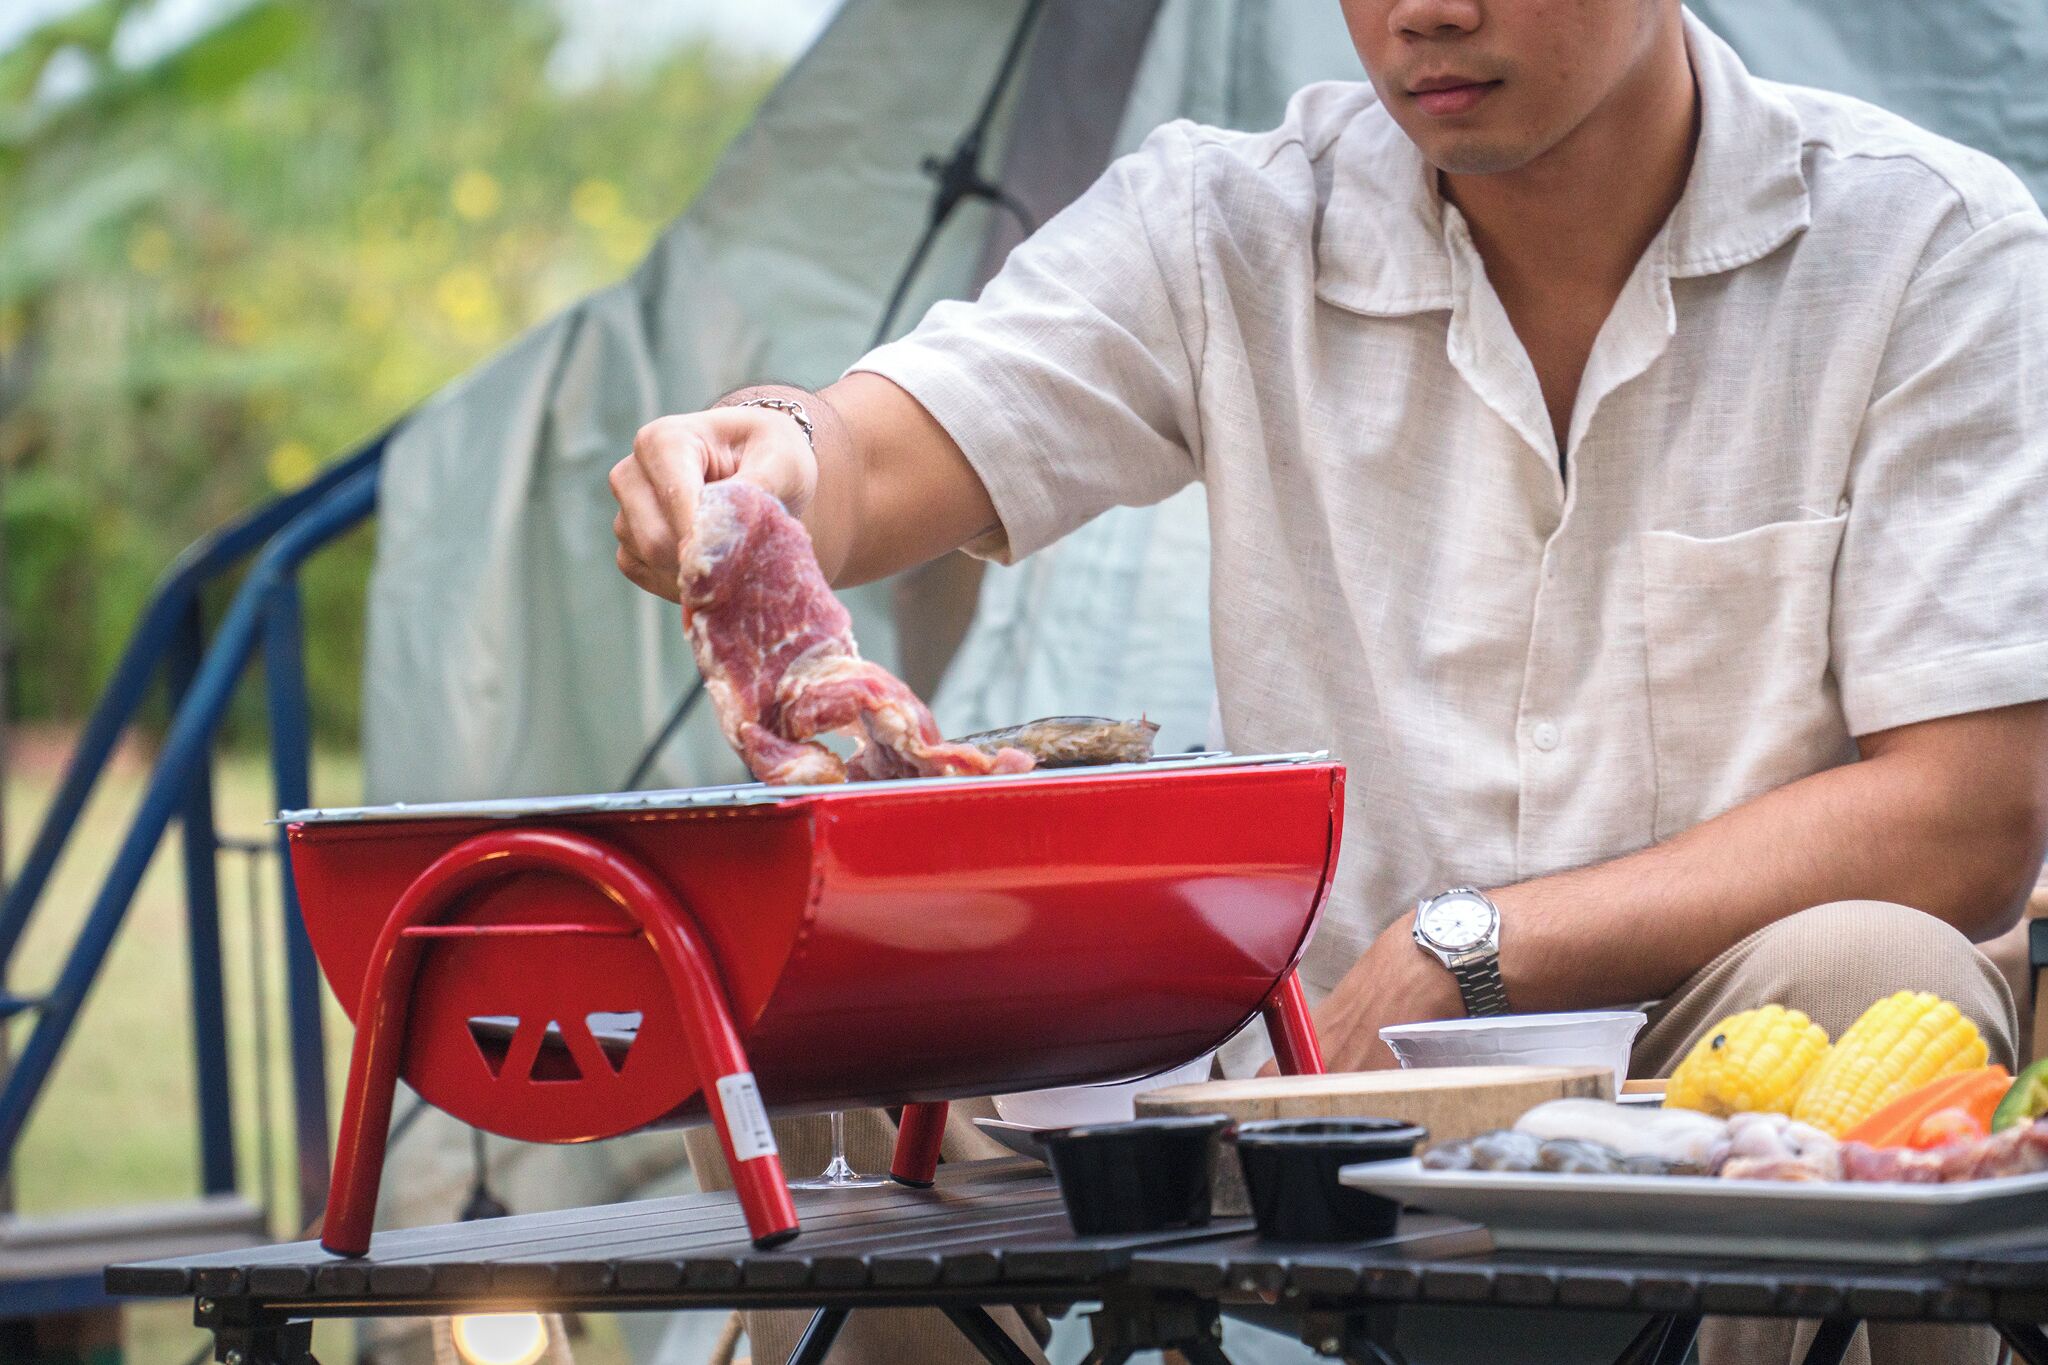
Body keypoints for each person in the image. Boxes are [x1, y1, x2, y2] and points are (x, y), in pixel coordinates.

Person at [611, 1, 2048, 1360]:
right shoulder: (1226, 222)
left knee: (1877, 970)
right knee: (798, 1029)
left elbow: (1968, 811)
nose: (1425, 12)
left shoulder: (1925, 245)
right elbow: (875, 449)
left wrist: (1471, 943)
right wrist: (770, 455)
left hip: (1713, 1048)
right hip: (1309, 1071)